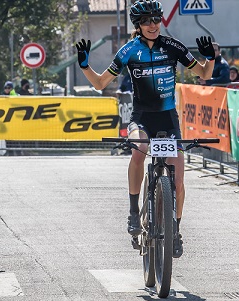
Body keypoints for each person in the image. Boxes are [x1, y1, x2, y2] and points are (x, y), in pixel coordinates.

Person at [74, 0, 217, 258]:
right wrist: (85, 66)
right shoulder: (129, 50)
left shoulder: (173, 47)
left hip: (167, 119)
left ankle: (175, 229)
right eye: (146, 21)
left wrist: (211, 58)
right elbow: (99, 83)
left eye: (156, 20)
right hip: (141, 118)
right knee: (139, 149)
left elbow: (204, 74)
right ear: (138, 26)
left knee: (180, 181)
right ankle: (132, 211)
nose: (152, 25)